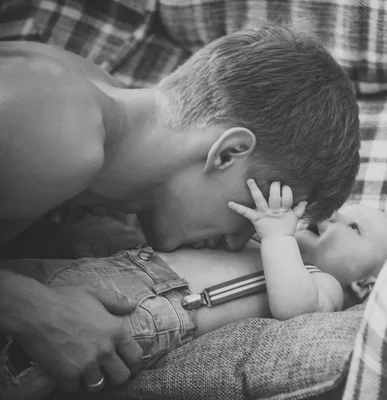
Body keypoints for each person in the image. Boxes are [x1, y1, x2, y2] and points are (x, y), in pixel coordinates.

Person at [0, 22, 360, 395]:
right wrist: (34, 311)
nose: (238, 243)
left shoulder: (88, 104)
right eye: (256, 208)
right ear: (228, 153)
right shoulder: (58, 128)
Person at [0, 181, 387, 400]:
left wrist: (278, 239)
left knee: (25, 359)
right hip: (119, 269)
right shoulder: (256, 243)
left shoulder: (325, 283)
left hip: (148, 310)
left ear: (365, 284)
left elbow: (294, 312)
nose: (335, 215)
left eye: (355, 227)